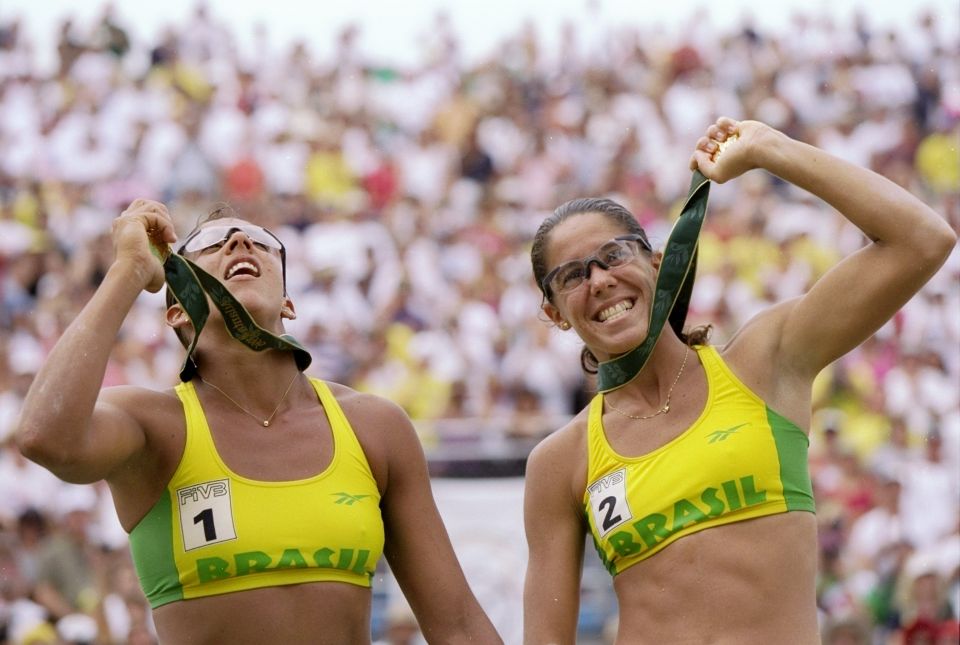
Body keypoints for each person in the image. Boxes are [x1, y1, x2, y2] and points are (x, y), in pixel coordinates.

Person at [522, 117, 956, 644]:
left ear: (658, 263)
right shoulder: (560, 463)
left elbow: (922, 240)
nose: (600, 280)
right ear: (556, 312)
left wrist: (770, 149)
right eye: (573, 276)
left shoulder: (764, 361)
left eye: (613, 256)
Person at [15, 199, 502, 645]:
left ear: (288, 304)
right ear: (176, 312)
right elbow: (44, 436)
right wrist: (128, 269)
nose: (240, 242)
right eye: (210, 244)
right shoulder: (154, 424)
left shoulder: (373, 426)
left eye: (262, 242)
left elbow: (457, 625)